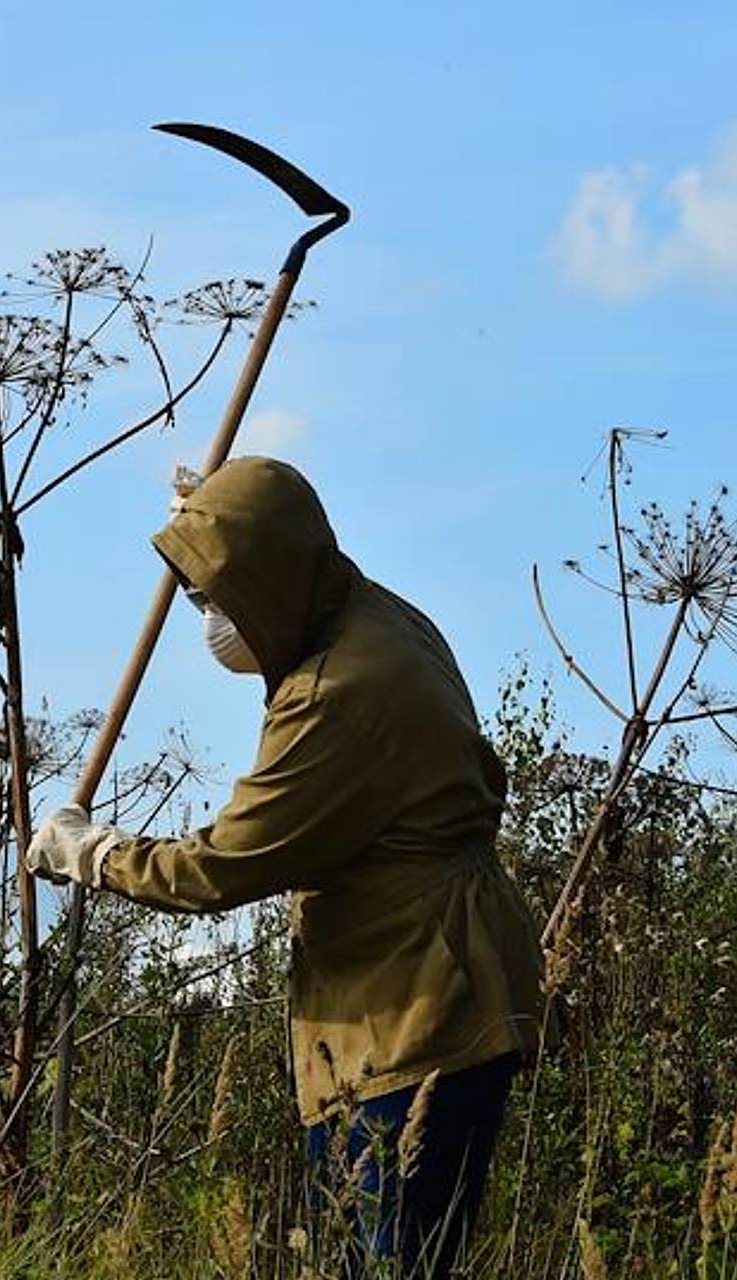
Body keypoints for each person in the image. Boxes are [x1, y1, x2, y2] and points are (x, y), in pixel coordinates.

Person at [26, 456, 543, 1278]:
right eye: (197, 599)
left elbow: (224, 867)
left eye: (218, 598)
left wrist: (93, 855)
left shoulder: (336, 691)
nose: (209, 622)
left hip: (413, 1011)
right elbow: (275, 537)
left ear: (269, 583)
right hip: (420, 993)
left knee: (388, 1262)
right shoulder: (377, 614)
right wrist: (218, 517)